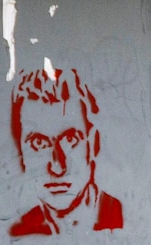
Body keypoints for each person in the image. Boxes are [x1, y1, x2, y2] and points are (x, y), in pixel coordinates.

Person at [9, 68, 123, 236]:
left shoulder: (119, 220)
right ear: (21, 154)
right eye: (39, 143)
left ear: (93, 144)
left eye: (70, 140)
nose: (57, 168)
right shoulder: (21, 232)